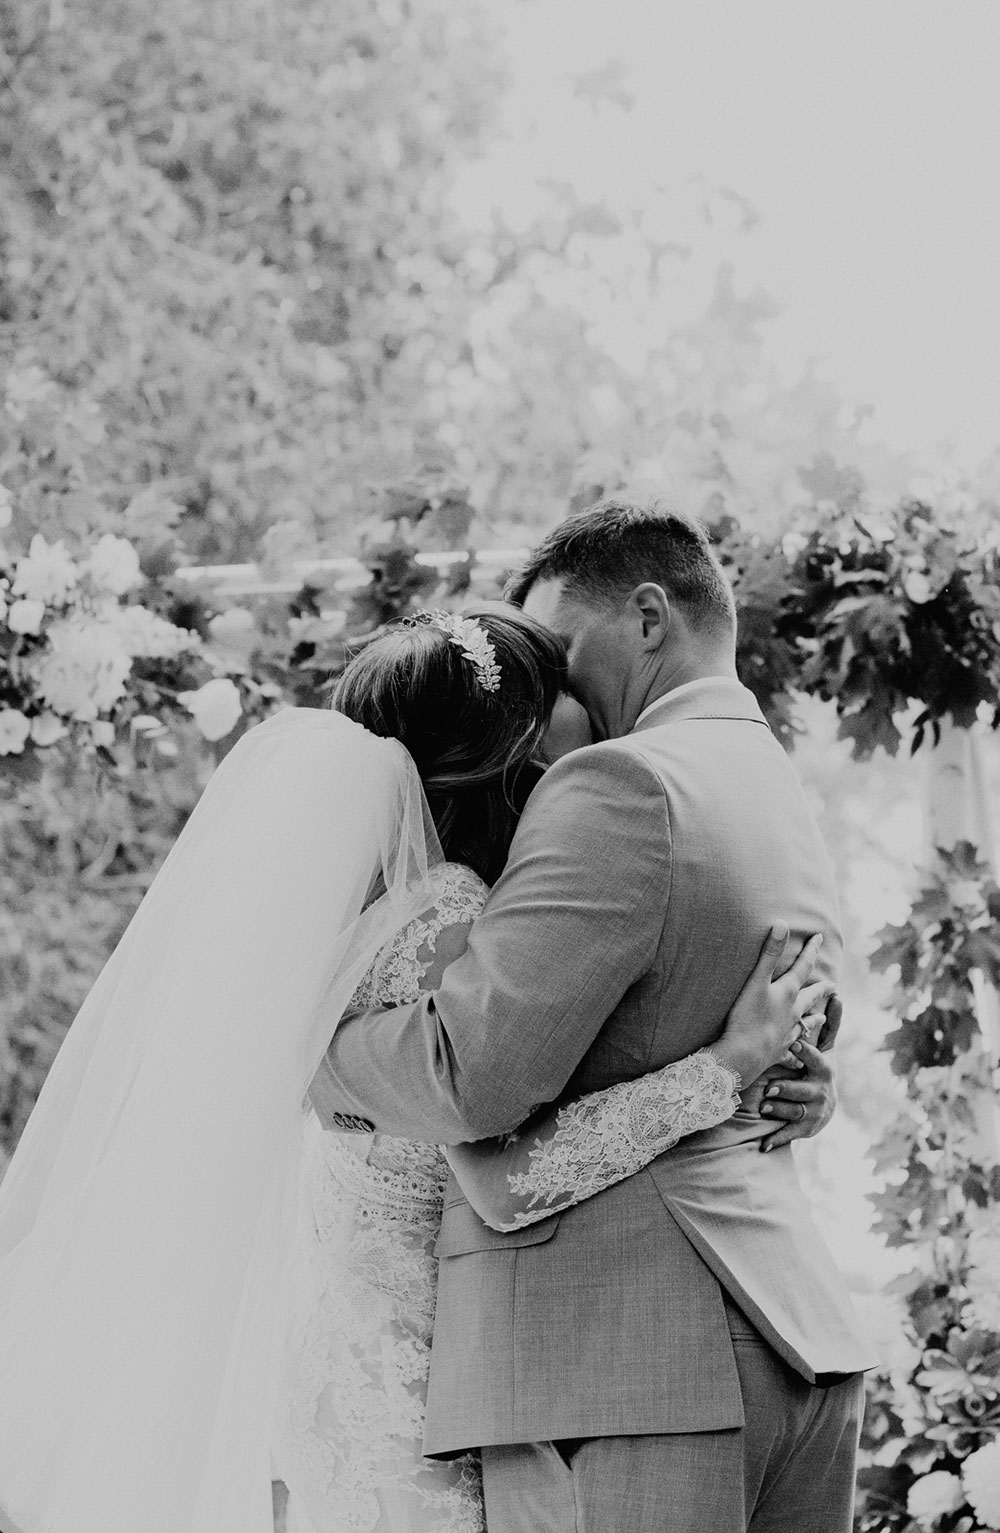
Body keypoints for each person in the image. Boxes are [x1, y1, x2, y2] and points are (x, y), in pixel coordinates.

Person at [0, 603, 823, 1533]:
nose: (589, 720)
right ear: (509, 739)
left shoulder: (359, 917)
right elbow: (507, 1164)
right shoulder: (449, 916)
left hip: (355, 1357)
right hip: (415, 1386)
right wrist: (729, 1063)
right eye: (559, 696)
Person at [310, 501, 878, 1533]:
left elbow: (471, 1084)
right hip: (786, 1336)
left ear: (649, 617)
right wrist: (758, 1077)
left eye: (565, 660)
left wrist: (309, 1058)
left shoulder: (618, 783)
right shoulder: (766, 783)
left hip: (628, 1365)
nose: (561, 697)